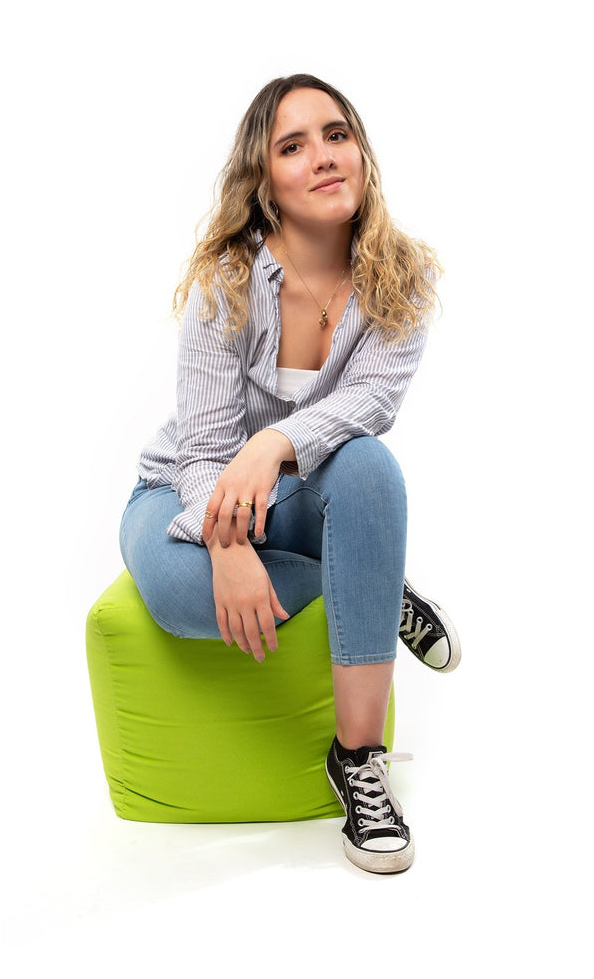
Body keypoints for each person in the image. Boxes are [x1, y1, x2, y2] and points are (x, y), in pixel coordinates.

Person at [119, 74, 460, 874]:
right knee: (180, 592)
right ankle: (377, 586)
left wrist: (271, 445)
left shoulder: (403, 279)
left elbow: (368, 406)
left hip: (297, 496)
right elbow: (203, 451)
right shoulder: (226, 281)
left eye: (337, 135)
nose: (324, 156)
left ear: (361, 153)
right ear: (265, 181)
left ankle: (358, 761)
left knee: (368, 467)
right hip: (181, 490)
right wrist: (228, 547)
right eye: (294, 146)